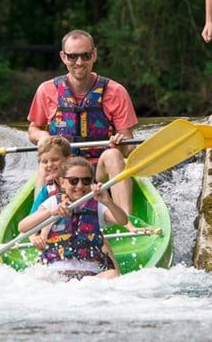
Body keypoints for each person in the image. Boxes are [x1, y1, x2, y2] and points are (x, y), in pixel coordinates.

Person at [26, 29, 139, 222]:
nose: (79, 62)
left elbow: (129, 146)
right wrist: (42, 137)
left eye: (85, 55)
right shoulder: (46, 90)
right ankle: (38, 223)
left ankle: (127, 223)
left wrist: (120, 143)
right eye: (72, 56)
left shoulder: (116, 91)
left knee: (114, 155)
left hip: (97, 171)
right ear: (63, 57)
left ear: (94, 55)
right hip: (62, 168)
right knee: (46, 161)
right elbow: (33, 129)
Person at [18, 156, 127, 280]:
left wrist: (108, 201)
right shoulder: (53, 202)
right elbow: (22, 226)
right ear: (62, 182)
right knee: (38, 277)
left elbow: (122, 220)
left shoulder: (98, 205)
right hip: (56, 274)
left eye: (86, 181)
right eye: (73, 181)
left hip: (90, 276)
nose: (80, 186)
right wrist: (51, 212)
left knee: (112, 274)